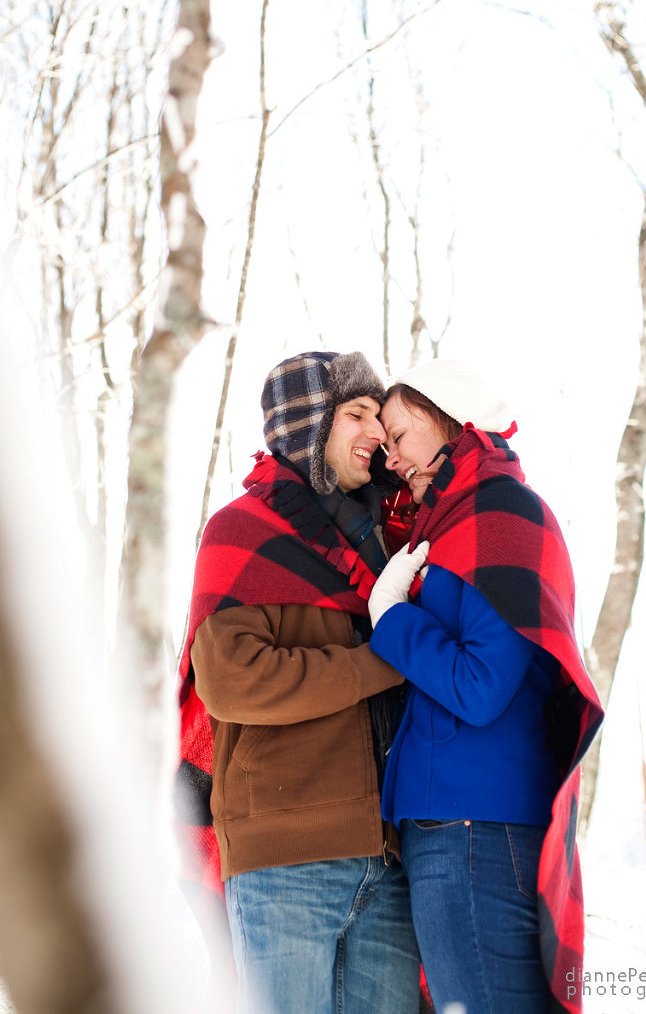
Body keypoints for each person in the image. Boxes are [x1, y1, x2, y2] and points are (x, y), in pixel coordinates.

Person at [175, 350, 421, 1014]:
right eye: (357, 413)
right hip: (285, 857)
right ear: (309, 424)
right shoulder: (241, 530)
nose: (377, 430)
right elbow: (233, 681)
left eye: (377, 415)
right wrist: (386, 659)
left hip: (389, 860)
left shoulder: (388, 543)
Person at [367, 359, 604, 1014]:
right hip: (461, 822)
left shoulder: (498, 513)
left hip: (475, 824)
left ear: (454, 422)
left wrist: (392, 618)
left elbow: (480, 686)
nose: (392, 459)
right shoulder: (456, 522)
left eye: (400, 435)